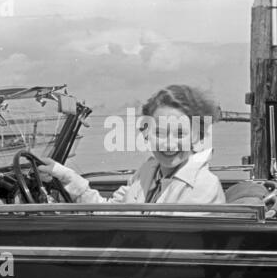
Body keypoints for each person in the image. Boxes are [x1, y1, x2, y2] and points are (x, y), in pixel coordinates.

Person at [38, 84, 226, 206]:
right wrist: (64, 175)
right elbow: (110, 212)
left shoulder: (202, 186)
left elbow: (158, 240)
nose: (169, 144)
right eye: (159, 132)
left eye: (180, 133)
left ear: (195, 136)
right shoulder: (148, 171)